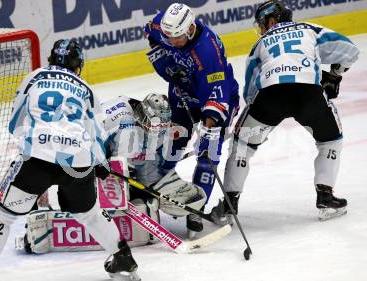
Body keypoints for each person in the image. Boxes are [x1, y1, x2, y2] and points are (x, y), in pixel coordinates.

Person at [0, 39, 140, 281]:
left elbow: (15, 122)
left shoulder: (35, 76)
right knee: (89, 214)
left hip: (37, 158)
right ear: (78, 64)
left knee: (1, 215)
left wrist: (32, 147)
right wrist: (100, 163)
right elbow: (97, 134)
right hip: (78, 162)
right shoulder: (87, 89)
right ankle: (123, 257)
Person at [213, 0, 359, 221]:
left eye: (262, 23)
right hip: (309, 93)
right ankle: (326, 198)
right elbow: (350, 50)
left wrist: (257, 122)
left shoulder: (260, 43)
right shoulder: (310, 30)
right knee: (331, 140)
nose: (261, 29)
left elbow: (250, 89)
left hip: (270, 96)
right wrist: (335, 74)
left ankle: (230, 204)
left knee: (242, 145)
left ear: (272, 20)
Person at [143, 3, 240, 235]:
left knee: (209, 153)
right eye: (168, 36)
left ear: (189, 30)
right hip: (182, 92)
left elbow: (216, 96)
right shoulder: (165, 24)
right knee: (172, 144)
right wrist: (165, 65)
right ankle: (153, 188)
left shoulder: (208, 52)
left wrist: (208, 132)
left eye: (176, 37)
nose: (171, 41)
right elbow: (150, 33)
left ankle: (197, 209)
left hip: (217, 97)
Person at [103, 94, 207, 232]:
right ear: (142, 116)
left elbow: (152, 163)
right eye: (155, 125)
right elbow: (89, 146)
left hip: (130, 164)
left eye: (163, 126)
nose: (158, 130)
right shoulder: (115, 118)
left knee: (156, 186)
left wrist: (149, 189)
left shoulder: (161, 129)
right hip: (99, 164)